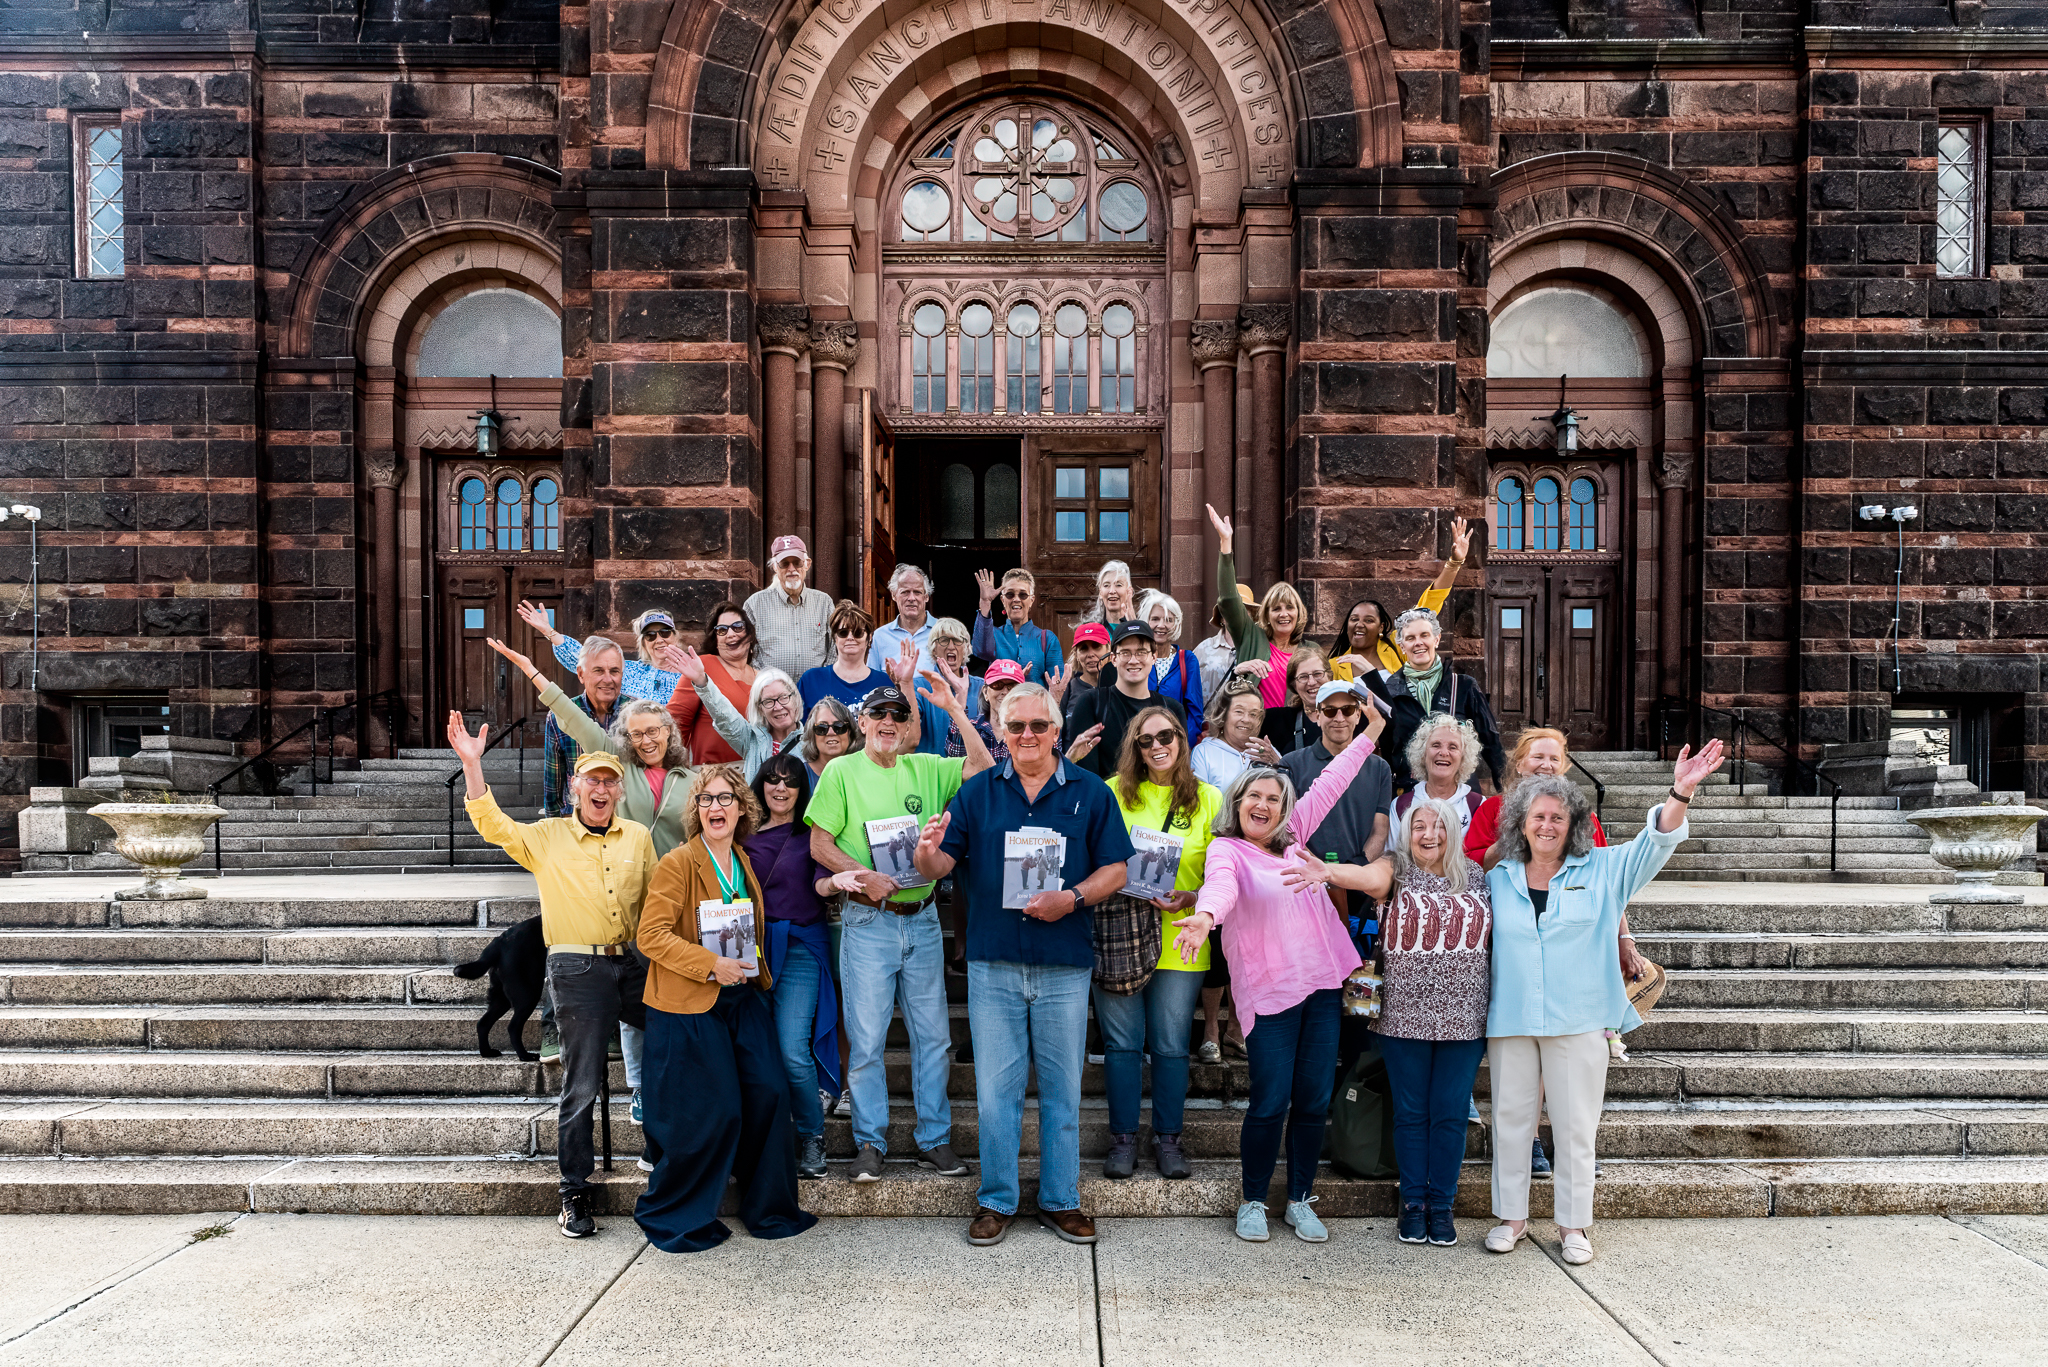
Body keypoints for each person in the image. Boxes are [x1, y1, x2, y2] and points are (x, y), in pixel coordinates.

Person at [910, 683, 1136, 1247]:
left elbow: (1117, 870)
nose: (1027, 735)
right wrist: (924, 852)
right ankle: (996, 1200)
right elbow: (939, 867)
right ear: (1002, 733)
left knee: (1062, 1092)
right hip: (994, 964)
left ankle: (1061, 1200)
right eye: (1016, 727)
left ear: (1057, 730)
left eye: (1038, 725)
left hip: (1064, 963)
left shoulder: (1090, 791)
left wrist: (1072, 899)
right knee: (996, 1094)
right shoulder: (977, 792)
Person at [1483, 741, 1725, 1266]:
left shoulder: (1604, 869)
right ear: (1520, 823)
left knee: (1575, 1126)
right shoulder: (1497, 880)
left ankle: (1573, 1226)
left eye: (1558, 817)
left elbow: (1654, 843)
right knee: (1511, 1121)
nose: (1548, 825)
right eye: (1538, 816)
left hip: (1580, 1019)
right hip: (1513, 1018)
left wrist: (1680, 791)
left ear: (1575, 824)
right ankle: (1512, 1219)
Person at [1169, 689, 1389, 1244]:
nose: (1264, 805)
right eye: (1254, 797)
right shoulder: (1227, 851)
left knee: (1313, 1100)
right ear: (1238, 803)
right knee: (1270, 1101)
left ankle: (1299, 1198)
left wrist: (1370, 734)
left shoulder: (1296, 841)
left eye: (1273, 798)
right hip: (1270, 993)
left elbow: (1332, 780)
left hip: (1322, 987)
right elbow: (1219, 888)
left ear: (1285, 809)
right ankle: (1252, 1200)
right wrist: (1204, 917)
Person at [490, 635, 694, 1147]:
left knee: (663, 1012)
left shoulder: (687, 778)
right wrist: (533, 671)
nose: (647, 739)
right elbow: (572, 719)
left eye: (655, 731)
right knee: (610, 1003)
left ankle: (670, 1118)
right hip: (615, 881)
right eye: (638, 733)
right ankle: (632, 1095)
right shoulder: (615, 763)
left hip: (666, 898)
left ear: (669, 733)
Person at [453, 720, 652, 1240]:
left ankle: (668, 1152)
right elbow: (494, 825)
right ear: (574, 788)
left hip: (633, 964)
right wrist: (472, 764)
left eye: (610, 781)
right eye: (593, 781)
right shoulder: (548, 837)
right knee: (582, 1081)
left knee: (681, 1044)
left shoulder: (639, 838)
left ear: (620, 790)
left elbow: (658, 904)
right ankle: (573, 1191)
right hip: (576, 967)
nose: (601, 789)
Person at [805, 669, 993, 1183]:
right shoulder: (841, 772)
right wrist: (862, 876)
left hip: (923, 918)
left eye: (899, 715)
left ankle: (934, 1139)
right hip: (870, 920)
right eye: (879, 714)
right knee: (867, 1040)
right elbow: (819, 843)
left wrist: (955, 710)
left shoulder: (926, 766)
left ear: (909, 726)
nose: (889, 721)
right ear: (863, 722)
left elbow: (983, 766)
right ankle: (870, 1142)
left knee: (933, 1037)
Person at [632, 762, 818, 1252]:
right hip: (690, 1002)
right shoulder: (678, 862)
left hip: (742, 996)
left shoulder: (742, 860)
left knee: (771, 1091)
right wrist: (710, 964)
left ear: (741, 809)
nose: (716, 807)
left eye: (725, 799)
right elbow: (650, 936)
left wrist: (751, 968)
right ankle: (681, 1213)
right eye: (707, 799)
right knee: (714, 1109)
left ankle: (769, 1209)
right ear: (696, 810)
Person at [1291, 796, 1491, 1248]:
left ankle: (1442, 1205)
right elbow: (1365, 878)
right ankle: (1413, 1203)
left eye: (1439, 826)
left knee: (1450, 1114)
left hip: (1465, 1017)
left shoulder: (1478, 876)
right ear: (1406, 832)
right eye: (1419, 826)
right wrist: (1328, 872)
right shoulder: (1394, 868)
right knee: (1412, 1112)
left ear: (1454, 831)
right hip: (1404, 1016)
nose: (1429, 835)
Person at [1097, 706, 1221, 1181]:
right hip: (1121, 936)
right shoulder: (1112, 791)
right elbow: (1092, 852)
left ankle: (1169, 1138)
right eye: (1145, 740)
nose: (1157, 746)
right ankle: (1123, 1138)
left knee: (1170, 1045)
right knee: (1122, 1044)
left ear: (1181, 740)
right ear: (1135, 748)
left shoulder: (1209, 798)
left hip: (1181, 935)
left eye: (1165, 736)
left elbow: (1223, 872)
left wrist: (1193, 897)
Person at [745, 750, 851, 1181]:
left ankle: (812, 1136)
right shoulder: (741, 834)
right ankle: (763, 1140)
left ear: (802, 789)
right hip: (751, 951)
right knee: (756, 1052)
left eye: (791, 781)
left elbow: (821, 882)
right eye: (773, 779)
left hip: (801, 947)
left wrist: (834, 883)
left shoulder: (813, 834)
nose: (781, 787)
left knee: (792, 1049)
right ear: (761, 786)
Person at [1361, 607, 1507, 795]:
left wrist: (1507, 791)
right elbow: (1388, 749)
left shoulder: (1463, 686)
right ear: (1402, 646)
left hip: (1459, 790)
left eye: (1424, 635)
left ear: (1436, 639)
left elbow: (1492, 743)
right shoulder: (1390, 691)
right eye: (1410, 638)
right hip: (1411, 791)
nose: (1418, 643)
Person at [1278, 681, 1393, 887]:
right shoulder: (1290, 764)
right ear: (1317, 716)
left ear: (1358, 715)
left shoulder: (1380, 768)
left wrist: (1355, 871)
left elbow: (1380, 830)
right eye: (1330, 711)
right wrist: (1319, 870)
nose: (1339, 718)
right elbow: (1288, 829)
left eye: (1347, 710)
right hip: (1308, 882)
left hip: (1360, 883)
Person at [1327, 516, 1471, 679]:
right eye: (1354, 619)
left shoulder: (1397, 647)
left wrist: (1455, 563)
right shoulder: (1333, 666)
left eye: (1369, 620)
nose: (1359, 624)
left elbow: (1430, 603)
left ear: (1381, 628)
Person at [1206, 503, 1311, 715]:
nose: (1283, 614)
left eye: (1290, 608)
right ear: (1267, 615)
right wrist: (1226, 542)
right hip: (1255, 726)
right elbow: (1228, 599)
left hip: (1295, 729)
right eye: (1276, 609)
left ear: (1299, 613)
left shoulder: (1311, 650)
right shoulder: (1251, 637)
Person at [1466, 727, 1611, 867]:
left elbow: (1602, 864)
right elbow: (1472, 864)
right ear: (1519, 765)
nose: (1547, 765)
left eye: (1555, 759)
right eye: (1538, 757)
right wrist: (1514, 837)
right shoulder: (1492, 808)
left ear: (1562, 768)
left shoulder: (1581, 814)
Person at [1063, 622, 1184, 778]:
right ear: (1113, 658)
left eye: (1141, 652)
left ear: (1153, 657)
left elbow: (1179, 769)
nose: (1133, 660)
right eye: (1125, 653)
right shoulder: (1091, 703)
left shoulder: (1171, 709)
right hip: (1107, 793)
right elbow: (1086, 774)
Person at [670, 646, 804, 783]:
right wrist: (701, 681)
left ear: (795, 699)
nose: (778, 707)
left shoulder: (810, 743)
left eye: (784, 697)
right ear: (760, 709)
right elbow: (725, 715)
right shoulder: (752, 740)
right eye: (768, 701)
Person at [521, 602, 683, 704]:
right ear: (644, 644)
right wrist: (548, 631)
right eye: (650, 635)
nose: (659, 639)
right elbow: (583, 659)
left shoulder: (690, 674)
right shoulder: (630, 671)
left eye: (665, 633)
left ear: (675, 637)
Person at [664, 603, 761, 766]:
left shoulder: (763, 678)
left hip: (756, 773)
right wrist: (672, 770)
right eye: (722, 630)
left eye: (738, 627)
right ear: (715, 640)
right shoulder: (703, 667)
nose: (731, 634)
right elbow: (676, 723)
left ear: (750, 635)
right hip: (712, 775)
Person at [540, 635, 625, 819]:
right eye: (598, 671)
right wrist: (554, 825)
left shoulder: (636, 713)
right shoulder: (560, 715)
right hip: (578, 822)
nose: (608, 679)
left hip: (624, 823)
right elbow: (553, 784)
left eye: (614, 671)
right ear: (580, 674)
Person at [745, 535, 835, 681]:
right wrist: (763, 680)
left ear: (807, 564)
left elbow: (835, 646)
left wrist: (823, 679)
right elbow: (746, 649)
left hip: (816, 689)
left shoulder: (824, 602)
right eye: (784, 563)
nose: (791, 569)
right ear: (775, 567)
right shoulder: (755, 604)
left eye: (797, 562)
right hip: (770, 690)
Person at [1392, 714, 1489, 832]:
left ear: (1464, 757)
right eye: (1436, 745)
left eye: (1453, 747)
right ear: (1422, 754)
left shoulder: (1478, 806)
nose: (1443, 753)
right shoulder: (1400, 805)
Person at [971, 567, 1064, 684]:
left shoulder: (1047, 638)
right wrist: (985, 603)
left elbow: (1057, 682)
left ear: (1032, 600)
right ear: (1002, 600)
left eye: (1023, 595)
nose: (1016, 599)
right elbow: (980, 650)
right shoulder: (994, 635)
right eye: (1010, 594)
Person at [799, 600, 891, 716]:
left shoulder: (884, 683)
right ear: (835, 638)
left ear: (869, 637)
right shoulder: (811, 680)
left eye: (858, 632)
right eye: (843, 633)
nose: (850, 637)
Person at [1137, 589, 1205, 742]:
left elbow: (1194, 712)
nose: (1161, 625)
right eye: (1155, 619)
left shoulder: (1187, 660)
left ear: (1176, 624)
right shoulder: (1136, 659)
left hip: (1175, 742)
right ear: (1146, 621)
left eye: (1168, 620)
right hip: (1141, 741)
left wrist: (1183, 745)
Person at [1191, 677, 1280, 790]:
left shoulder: (1267, 751)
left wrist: (1277, 763)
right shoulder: (1204, 752)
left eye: (1253, 714)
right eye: (1239, 711)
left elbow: (1288, 791)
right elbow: (1198, 798)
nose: (1246, 719)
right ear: (1223, 714)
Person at [916, 618, 985, 755]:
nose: (951, 646)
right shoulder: (919, 687)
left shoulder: (982, 687)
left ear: (966, 648)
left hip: (972, 766)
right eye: (944, 640)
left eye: (957, 640)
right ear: (934, 649)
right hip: (933, 767)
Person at [869, 563, 937, 676]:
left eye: (917, 592)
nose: (911, 598)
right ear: (894, 595)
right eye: (905, 592)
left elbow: (957, 678)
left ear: (926, 597)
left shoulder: (943, 632)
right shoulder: (880, 637)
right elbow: (872, 681)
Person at [1261, 647, 1331, 756]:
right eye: (1303, 677)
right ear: (1293, 684)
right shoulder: (1275, 720)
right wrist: (1237, 672)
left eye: (1317, 674)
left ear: (1330, 676)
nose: (1311, 682)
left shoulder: (1348, 714)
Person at [1193, 583, 1255, 705]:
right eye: (1231, 609)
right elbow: (1188, 689)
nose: (1237, 615)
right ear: (1222, 618)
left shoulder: (1258, 649)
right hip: (1208, 716)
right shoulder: (1204, 649)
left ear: (1251, 617)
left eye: (1243, 610)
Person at [800, 696, 861, 784]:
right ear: (812, 734)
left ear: (850, 732)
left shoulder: (865, 773)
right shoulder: (798, 776)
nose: (831, 732)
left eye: (839, 726)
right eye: (822, 727)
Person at [1060, 622, 1112, 714]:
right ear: (1076, 654)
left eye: (1096, 646)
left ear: (1108, 649)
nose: (1090, 654)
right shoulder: (1069, 689)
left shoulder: (1121, 685)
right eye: (1083, 648)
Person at [1080, 558, 1140, 629]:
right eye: (1106, 585)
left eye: (1118, 585)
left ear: (1129, 591)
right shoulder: (1091, 629)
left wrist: (1133, 626)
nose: (1112, 591)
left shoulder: (1142, 627)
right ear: (1100, 593)